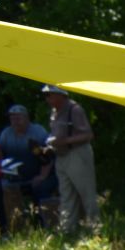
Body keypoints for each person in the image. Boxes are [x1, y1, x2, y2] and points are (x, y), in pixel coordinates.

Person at [41, 86, 98, 236]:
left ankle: (95, 229)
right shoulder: (54, 112)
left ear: (61, 95)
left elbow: (87, 135)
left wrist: (64, 141)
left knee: (87, 194)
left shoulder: (75, 109)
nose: (47, 99)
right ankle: (68, 231)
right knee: (66, 196)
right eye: (46, 95)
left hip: (77, 154)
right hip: (61, 156)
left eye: (49, 95)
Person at [0, 103, 56, 234]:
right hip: (15, 176)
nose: (15, 121)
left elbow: (48, 157)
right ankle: (13, 227)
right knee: (3, 188)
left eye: (18, 118)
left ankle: (43, 226)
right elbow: (1, 157)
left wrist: (42, 176)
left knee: (41, 189)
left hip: (41, 174)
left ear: (26, 118)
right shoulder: (6, 134)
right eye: (12, 118)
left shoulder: (38, 132)